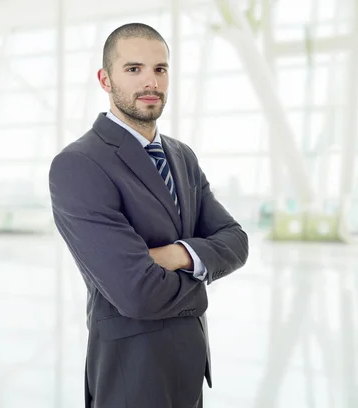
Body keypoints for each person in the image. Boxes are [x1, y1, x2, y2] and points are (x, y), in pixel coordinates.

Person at [49, 22, 249, 408]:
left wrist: (175, 255)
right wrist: (202, 273)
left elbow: (236, 240)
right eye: (133, 69)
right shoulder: (79, 164)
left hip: (189, 369)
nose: (150, 82)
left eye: (160, 69)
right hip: (130, 375)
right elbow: (136, 292)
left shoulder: (181, 156)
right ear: (105, 80)